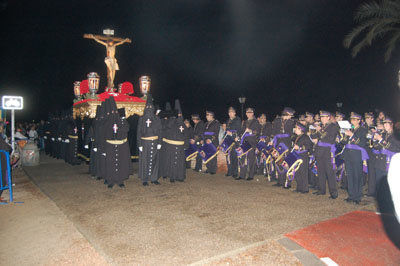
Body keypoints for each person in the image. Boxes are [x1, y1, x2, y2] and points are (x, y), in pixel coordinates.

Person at [103, 97, 131, 188]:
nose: (113, 114)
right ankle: (110, 180)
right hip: (110, 146)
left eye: (115, 112)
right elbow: (103, 134)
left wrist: (122, 120)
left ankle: (120, 180)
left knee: (120, 163)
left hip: (120, 146)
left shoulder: (121, 121)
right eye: (112, 113)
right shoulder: (106, 121)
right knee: (110, 163)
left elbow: (126, 129)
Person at [341, 112, 368, 204]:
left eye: (354, 120)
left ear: (359, 121)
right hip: (348, 155)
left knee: (357, 176)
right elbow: (344, 142)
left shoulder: (363, 130)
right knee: (350, 175)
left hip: (357, 155)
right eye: (351, 119)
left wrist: (351, 135)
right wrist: (343, 137)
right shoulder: (350, 129)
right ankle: (351, 195)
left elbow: (362, 143)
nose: (352, 121)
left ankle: (357, 196)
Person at [311, 111, 339, 199]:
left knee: (330, 172)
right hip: (319, 150)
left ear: (328, 117)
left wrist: (319, 132)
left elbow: (329, 139)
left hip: (327, 151)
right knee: (320, 171)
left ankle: (333, 192)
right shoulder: (322, 126)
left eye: (324, 117)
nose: (322, 119)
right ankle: (321, 189)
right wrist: (314, 131)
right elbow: (313, 136)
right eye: (321, 117)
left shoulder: (333, 126)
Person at [137, 94, 162, 186]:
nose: (149, 108)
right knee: (145, 160)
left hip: (155, 142)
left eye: (151, 107)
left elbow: (160, 130)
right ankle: (145, 179)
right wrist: (139, 144)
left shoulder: (157, 118)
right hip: (144, 142)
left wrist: (159, 142)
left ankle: (154, 178)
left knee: (155, 160)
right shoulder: (142, 119)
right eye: (147, 107)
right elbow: (139, 132)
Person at [373, 117, 400, 195]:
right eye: (384, 123)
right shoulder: (384, 134)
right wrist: (375, 140)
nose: (385, 125)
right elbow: (377, 147)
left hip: (390, 162)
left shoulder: (396, 135)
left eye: (387, 123)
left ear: (392, 124)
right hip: (380, 162)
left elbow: (396, 148)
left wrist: (381, 140)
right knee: (379, 182)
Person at [236, 107, 259, 181]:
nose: (249, 114)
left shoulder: (256, 121)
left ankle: (251, 175)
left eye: (250, 112)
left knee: (251, 159)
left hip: (251, 142)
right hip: (245, 142)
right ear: (246, 113)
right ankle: (242, 175)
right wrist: (239, 137)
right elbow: (242, 132)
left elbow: (257, 132)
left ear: (253, 113)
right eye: (247, 112)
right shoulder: (245, 122)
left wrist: (250, 131)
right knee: (242, 158)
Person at [292, 122, 313, 193]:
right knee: (297, 171)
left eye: (296, 128)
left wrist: (300, 148)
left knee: (303, 172)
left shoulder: (305, 137)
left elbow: (309, 146)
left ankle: (305, 189)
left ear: (300, 129)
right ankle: (299, 188)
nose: (295, 129)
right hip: (297, 155)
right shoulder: (297, 137)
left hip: (303, 156)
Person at [225, 107, 241, 178]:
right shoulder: (227, 120)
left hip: (234, 139)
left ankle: (235, 172)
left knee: (234, 156)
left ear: (234, 113)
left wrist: (232, 134)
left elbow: (239, 130)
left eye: (231, 112)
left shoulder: (237, 119)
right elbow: (226, 130)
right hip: (228, 139)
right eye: (229, 112)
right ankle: (229, 171)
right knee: (228, 156)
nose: (230, 113)